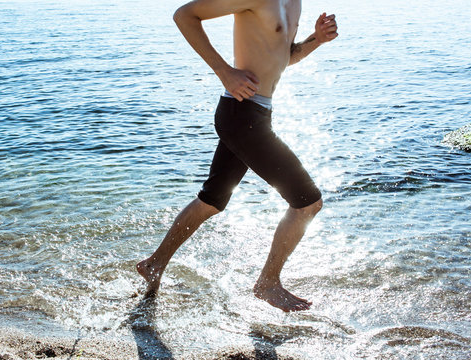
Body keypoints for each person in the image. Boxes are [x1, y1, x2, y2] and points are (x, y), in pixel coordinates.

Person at [137, 0, 338, 312]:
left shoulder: (294, 3)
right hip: (240, 114)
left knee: (212, 200)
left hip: (255, 115)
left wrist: (316, 40)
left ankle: (154, 263)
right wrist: (224, 72)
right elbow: (185, 16)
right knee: (307, 203)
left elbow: (285, 56)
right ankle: (267, 283)